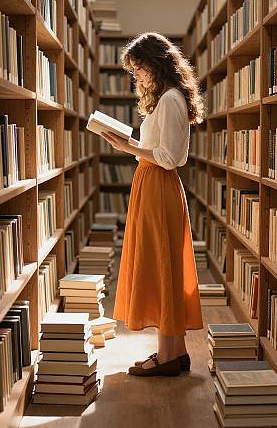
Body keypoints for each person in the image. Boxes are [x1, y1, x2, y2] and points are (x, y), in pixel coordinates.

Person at [100, 32, 205, 377]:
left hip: (159, 187)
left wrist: (126, 147)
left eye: (140, 69)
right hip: (151, 186)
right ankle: (175, 352)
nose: (138, 77)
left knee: (163, 266)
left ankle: (167, 356)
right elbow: (157, 151)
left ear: (157, 64)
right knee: (164, 266)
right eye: (133, 72)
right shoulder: (166, 99)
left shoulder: (172, 99)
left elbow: (170, 157)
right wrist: (128, 143)